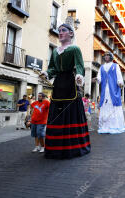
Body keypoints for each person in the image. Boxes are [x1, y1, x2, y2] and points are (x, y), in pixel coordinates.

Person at [41, 21, 91, 159]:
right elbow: (52, 68)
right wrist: (47, 73)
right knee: (56, 112)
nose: (60, 32)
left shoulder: (75, 49)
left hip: (70, 83)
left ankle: (72, 147)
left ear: (70, 33)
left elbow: (80, 65)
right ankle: (54, 148)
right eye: (59, 30)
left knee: (70, 112)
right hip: (58, 85)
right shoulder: (55, 51)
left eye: (63, 30)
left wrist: (79, 76)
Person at [96, 51, 125, 134]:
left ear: (111, 57)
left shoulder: (116, 66)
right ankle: (104, 126)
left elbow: (119, 76)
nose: (106, 57)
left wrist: (120, 82)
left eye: (107, 55)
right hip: (104, 91)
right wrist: (97, 79)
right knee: (105, 105)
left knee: (113, 106)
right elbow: (99, 77)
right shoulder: (101, 67)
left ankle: (114, 126)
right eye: (105, 55)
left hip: (113, 90)